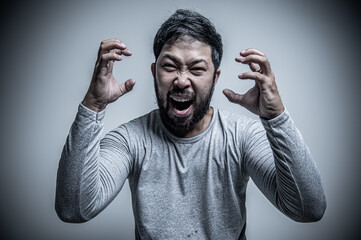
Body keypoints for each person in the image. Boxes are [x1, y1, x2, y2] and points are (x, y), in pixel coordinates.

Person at [55, 9, 326, 240]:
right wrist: (93, 106)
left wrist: (275, 117)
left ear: (215, 78)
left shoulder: (241, 136)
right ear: (154, 72)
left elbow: (308, 209)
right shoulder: (131, 139)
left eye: (197, 69)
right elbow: (74, 209)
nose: (182, 80)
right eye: (170, 66)